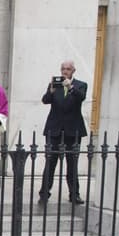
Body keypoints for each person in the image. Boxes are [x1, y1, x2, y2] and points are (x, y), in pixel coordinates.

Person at [39, 60, 88, 206]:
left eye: (68, 69)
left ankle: (74, 194)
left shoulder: (80, 85)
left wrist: (70, 87)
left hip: (73, 129)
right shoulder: (55, 84)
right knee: (50, 162)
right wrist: (51, 91)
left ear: (73, 71)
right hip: (54, 128)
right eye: (63, 69)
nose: (64, 72)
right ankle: (44, 194)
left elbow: (81, 97)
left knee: (72, 163)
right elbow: (45, 100)